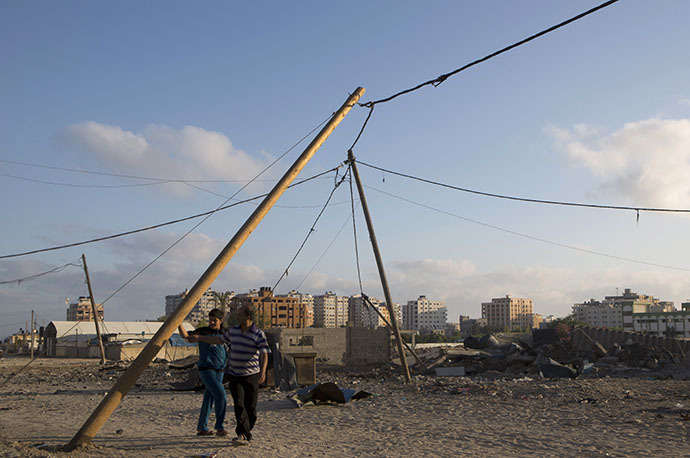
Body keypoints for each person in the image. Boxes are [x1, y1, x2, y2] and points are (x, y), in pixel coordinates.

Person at [188, 305, 270, 443]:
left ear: (248, 317)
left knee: (251, 407)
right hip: (235, 375)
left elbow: (264, 354)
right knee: (239, 404)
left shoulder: (258, 333)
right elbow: (218, 340)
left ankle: (246, 429)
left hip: (251, 375)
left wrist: (263, 371)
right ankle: (242, 433)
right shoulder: (233, 331)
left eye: (240, 315)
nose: (237, 318)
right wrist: (200, 338)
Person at [178, 308, 228, 436]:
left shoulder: (225, 333)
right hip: (207, 369)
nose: (212, 322)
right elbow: (186, 337)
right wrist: (178, 323)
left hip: (220, 370)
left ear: (221, 321)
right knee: (221, 396)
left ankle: (202, 427)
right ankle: (220, 427)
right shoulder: (202, 332)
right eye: (210, 320)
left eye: (214, 320)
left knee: (209, 398)